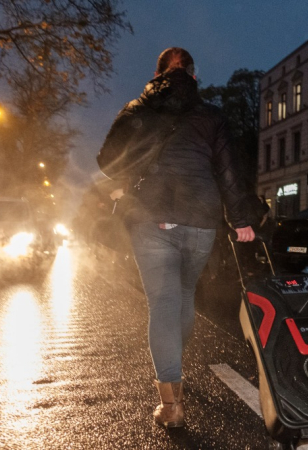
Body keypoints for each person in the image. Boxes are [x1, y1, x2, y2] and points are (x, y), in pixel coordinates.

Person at [97, 47, 255, 429]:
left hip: (152, 217)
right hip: (201, 220)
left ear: (157, 74)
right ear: (193, 75)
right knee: (184, 296)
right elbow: (229, 170)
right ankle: (173, 361)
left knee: (164, 304)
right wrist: (241, 219)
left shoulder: (138, 109)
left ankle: (171, 405)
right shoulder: (211, 115)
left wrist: (129, 180)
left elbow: (107, 159)